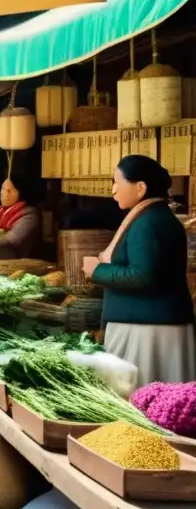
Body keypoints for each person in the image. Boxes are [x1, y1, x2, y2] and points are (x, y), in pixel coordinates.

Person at [83, 155, 195, 385]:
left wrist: (98, 271)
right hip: (152, 326)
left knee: (142, 405)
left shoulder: (147, 222)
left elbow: (143, 276)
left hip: (148, 333)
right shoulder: (155, 217)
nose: (113, 190)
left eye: (117, 182)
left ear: (140, 187)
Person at [0, 173, 42, 257]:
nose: (5, 194)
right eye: (3, 189)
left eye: (10, 190)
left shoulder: (30, 215)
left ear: (20, 193)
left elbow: (11, 240)